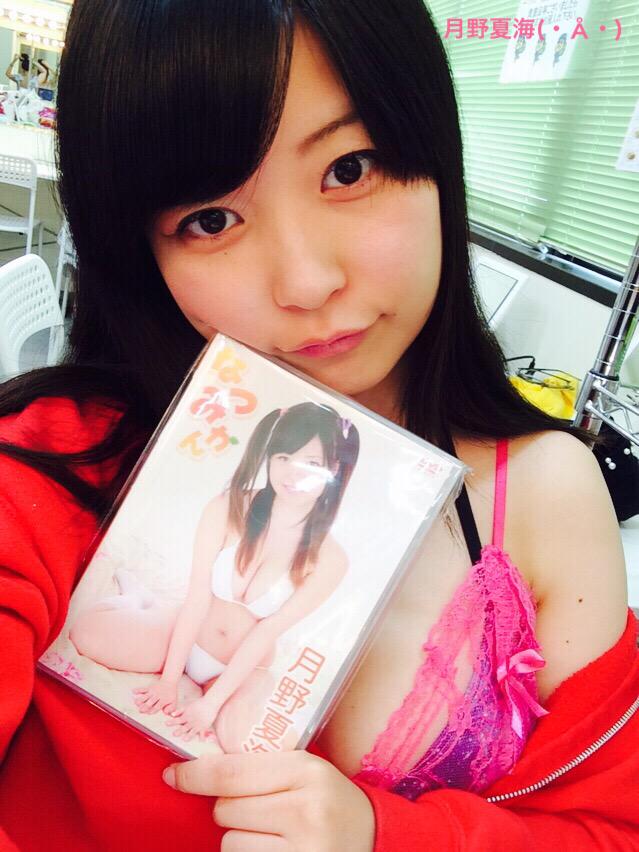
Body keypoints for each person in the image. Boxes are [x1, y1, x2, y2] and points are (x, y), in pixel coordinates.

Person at [0, 1, 636, 849]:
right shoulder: (56, 463)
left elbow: (602, 828)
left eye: (349, 168)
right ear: (138, 251)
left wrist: (383, 837)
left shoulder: (546, 493)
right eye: (210, 220)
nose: (305, 281)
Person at [68, 403, 358, 747]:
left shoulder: (330, 559)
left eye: (310, 463)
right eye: (283, 457)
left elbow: (268, 629)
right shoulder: (228, 506)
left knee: (246, 744)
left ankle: (149, 610)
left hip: (243, 669)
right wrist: (169, 680)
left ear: (333, 468)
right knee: (88, 634)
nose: (292, 474)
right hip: (187, 634)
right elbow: (198, 594)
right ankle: (139, 601)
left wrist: (210, 704)